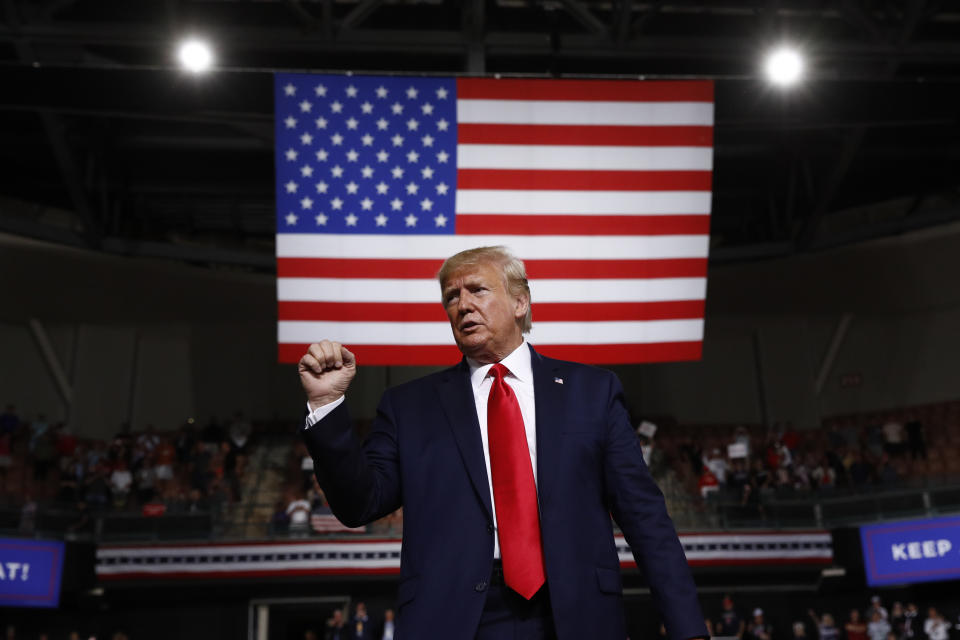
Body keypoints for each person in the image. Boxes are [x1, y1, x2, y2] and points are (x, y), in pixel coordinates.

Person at [299, 246, 707, 640]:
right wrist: (325, 404)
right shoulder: (408, 407)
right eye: (451, 297)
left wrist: (688, 628)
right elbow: (359, 505)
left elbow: (644, 516)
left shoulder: (592, 392)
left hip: (575, 612)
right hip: (451, 618)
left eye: (477, 289)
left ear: (520, 303)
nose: (462, 305)